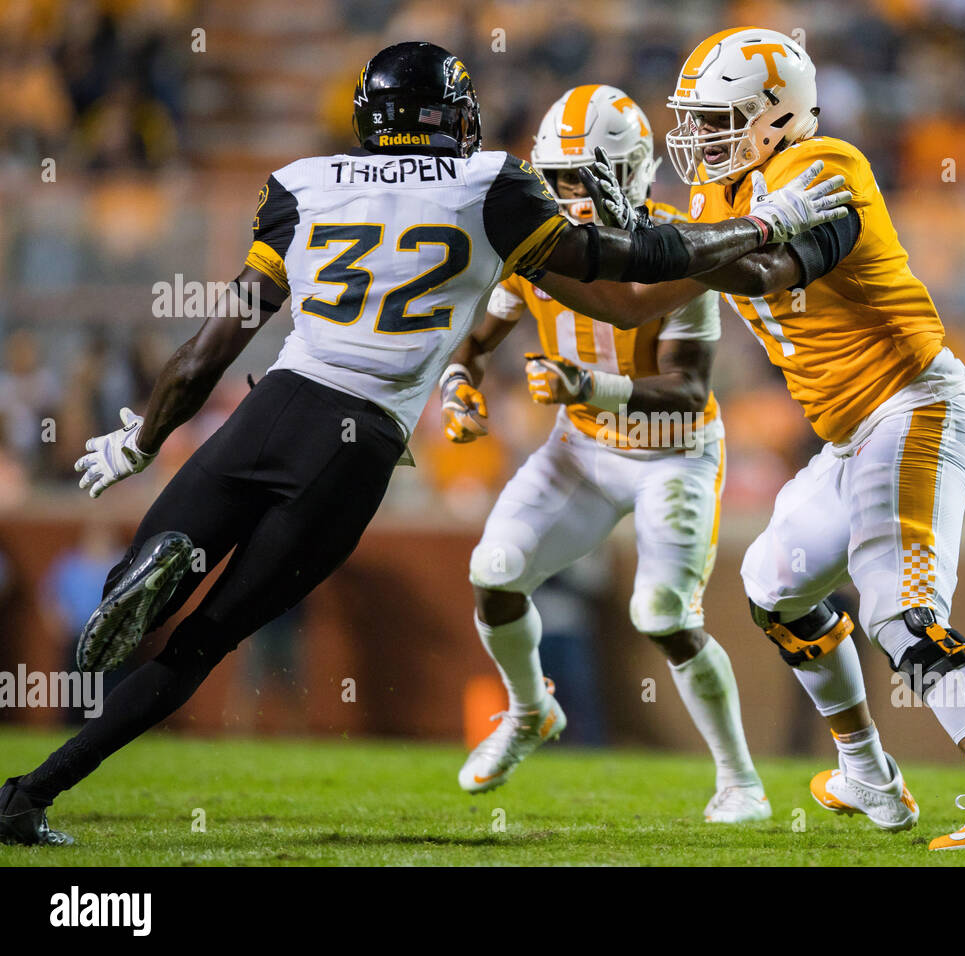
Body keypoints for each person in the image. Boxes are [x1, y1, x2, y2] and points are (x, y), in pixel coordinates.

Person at [0, 40, 846, 846]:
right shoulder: (490, 187)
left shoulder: (305, 182)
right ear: (449, 115)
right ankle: (33, 790)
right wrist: (765, 228)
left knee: (164, 562)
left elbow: (206, 350)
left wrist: (140, 442)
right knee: (204, 640)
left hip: (273, 407)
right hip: (355, 443)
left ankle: (155, 562)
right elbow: (628, 266)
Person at [553, 27, 965, 849]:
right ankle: (867, 772)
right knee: (774, 584)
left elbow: (768, 271)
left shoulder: (825, 166)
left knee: (897, 609)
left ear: (777, 115)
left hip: (914, 406)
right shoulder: (724, 202)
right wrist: (563, 255)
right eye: (695, 119)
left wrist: (732, 236)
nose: (700, 138)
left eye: (718, 119)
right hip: (853, 437)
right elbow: (637, 298)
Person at [444, 86, 767, 822]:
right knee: (493, 573)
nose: (565, 196)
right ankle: (531, 711)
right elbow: (474, 343)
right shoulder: (541, 249)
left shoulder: (680, 251)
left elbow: (686, 391)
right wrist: (460, 387)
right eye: (555, 179)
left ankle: (739, 779)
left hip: (672, 452)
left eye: (579, 178)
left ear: (624, 175)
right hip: (584, 448)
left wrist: (589, 383)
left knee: (660, 612)